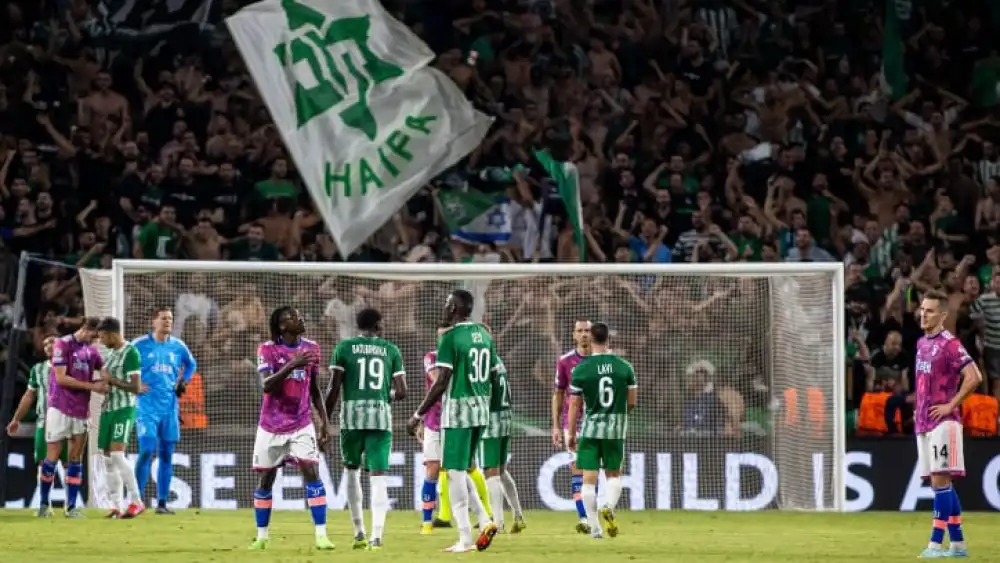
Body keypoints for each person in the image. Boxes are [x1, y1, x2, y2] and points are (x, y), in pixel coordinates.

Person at [407, 289, 498, 553]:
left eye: (448, 302)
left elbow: (441, 381)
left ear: (456, 307)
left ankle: (465, 539)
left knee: (454, 475)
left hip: (458, 412)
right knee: (464, 468)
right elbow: (493, 376)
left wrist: (417, 415)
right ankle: (485, 520)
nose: (445, 306)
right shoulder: (484, 335)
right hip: (481, 410)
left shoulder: (450, 338)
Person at [250, 307, 333, 550]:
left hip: (301, 422)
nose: (301, 318)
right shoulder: (268, 349)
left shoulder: (312, 348)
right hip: (271, 425)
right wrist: (291, 365)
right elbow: (266, 385)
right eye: (294, 317)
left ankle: (321, 535)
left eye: (300, 314)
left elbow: (315, 389)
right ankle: (262, 536)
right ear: (283, 326)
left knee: (311, 472)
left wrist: (325, 423)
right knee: (266, 478)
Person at [325, 307, 407, 551]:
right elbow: (402, 391)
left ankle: (358, 531)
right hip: (380, 419)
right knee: (378, 477)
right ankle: (377, 536)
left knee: (351, 472)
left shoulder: (344, 348)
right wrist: (384, 395)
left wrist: (324, 422)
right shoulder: (391, 350)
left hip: (352, 419)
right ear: (378, 325)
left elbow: (333, 388)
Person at [913, 290, 982, 558]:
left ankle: (934, 544)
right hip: (924, 422)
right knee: (939, 484)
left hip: (944, 421)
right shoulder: (921, 344)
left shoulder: (949, 344)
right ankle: (958, 544)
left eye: (929, 311)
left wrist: (951, 405)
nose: (923, 314)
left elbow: (973, 376)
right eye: (922, 309)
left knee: (941, 481)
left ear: (942, 315)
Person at [419, 324, 492, 535]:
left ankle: (485, 516)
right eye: (442, 336)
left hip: (460, 418)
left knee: (467, 466)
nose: (445, 340)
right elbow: (438, 380)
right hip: (434, 420)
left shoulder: (464, 355)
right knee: (433, 468)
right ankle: (428, 522)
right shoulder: (431, 357)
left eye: (449, 336)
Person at [567, 322, 637, 540]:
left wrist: (571, 432)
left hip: (590, 428)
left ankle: (595, 527)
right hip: (615, 428)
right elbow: (632, 402)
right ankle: (609, 506)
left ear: (591, 340)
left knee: (589, 477)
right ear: (608, 339)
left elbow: (575, 405)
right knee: (613, 474)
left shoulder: (580, 369)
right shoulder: (625, 367)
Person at [131, 307, 197, 514]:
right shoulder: (138, 345)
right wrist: (134, 384)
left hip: (169, 408)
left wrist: (183, 382)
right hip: (146, 407)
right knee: (146, 451)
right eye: (163, 318)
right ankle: (136, 500)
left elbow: (191, 364)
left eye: (170, 318)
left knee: (167, 455)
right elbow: (122, 367)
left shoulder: (178, 346)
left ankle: (161, 503)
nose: (168, 322)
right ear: (153, 322)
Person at [43, 318, 107, 518]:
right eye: (94, 336)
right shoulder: (62, 344)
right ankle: (44, 505)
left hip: (81, 410)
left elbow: (103, 372)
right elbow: (61, 378)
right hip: (59, 407)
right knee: (52, 456)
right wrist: (92, 386)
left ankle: (70, 507)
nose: (95, 340)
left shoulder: (92, 351)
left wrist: (106, 383)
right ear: (86, 329)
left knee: (75, 458)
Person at [5, 334, 69, 511]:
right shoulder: (38, 369)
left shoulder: (72, 367)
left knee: (68, 463)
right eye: (46, 343)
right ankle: (44, 504)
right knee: (44, 463)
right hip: (45, 422)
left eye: (53, 342)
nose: (49, 345)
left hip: (68, 422)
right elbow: (29, 395)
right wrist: (16, 419)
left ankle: (70, 505)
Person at [96, 316, 145, 519]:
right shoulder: (110, 354)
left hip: (124, 408)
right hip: (108, 409)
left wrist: (112, 381)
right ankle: (116, 506)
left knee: (117, 455)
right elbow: (109, 382)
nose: (101, 341)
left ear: (112, 334)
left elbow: (135, 387)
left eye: (102, 337)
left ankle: (136, 501)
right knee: (107, 459)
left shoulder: (130, 352)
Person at [478, 354, 526, 533]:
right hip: (505, 418)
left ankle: (497, 523)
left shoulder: (483, 362)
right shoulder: (497, 360)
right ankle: (518, 515)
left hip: (491, 422)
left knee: (491, 472)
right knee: (501, 470)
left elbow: (486, 391)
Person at [552, 319, 592, 533]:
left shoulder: (602, 360)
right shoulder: (565, 361)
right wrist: (556, 426)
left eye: (587, 331)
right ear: (574, 335)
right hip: (573, 422)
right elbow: (558, 394)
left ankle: (597, 512)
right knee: (577, 468)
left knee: (596, 471)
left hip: (598, 422)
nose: (584, 334)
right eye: (580, 331)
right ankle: (584, 518)